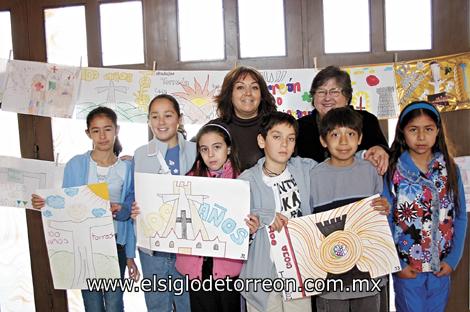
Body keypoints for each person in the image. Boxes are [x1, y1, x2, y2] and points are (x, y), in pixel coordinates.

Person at [31, 106, 139, 311]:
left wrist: (131, 254)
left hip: (116, 244)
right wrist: (45, 203)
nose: (102, 136)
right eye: (96, 130)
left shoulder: (127, 168)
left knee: (115, 303)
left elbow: (131, 211)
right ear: (88, 133)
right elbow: (67, 202)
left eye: (107, 129)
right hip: (84, 244)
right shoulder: (76, 164)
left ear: (117, 130)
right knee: (92, 304)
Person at [383, 101, 467, 312]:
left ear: (437, 131)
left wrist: (453, 259)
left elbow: (459, 216)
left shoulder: (449, 168)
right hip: (408, 267)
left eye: (428, 129)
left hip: (441, 267)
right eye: (413, 130)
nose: (421, 137)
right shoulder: (392, 169)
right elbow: (384, 220)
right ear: (402, 132)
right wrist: (398, 264)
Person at [310, 107, 390, 312]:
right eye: (335, 134)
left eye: (351, 134)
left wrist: (384, 208)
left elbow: (380, 213)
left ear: (361, 138)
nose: (344, 142)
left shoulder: (371, 170)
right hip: (330, 279)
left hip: (367, 274)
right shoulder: (313, 176)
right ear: (323, 140)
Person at [175, 123, 259, 312]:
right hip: (197, 267)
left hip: (229, 268)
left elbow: (250, 221)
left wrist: (251, 229)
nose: (210, 155)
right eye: (204, 149)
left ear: (228, 148)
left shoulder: (243, 181)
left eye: (217, 147)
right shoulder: (188, 181)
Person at [238, 112, 316, 312]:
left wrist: (365, 154)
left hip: (298, 269)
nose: (284, 144)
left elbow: (337, 165)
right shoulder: (245, 181)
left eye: (290, 138)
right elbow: (234, 219)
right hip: (262, 273)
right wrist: (262, 218)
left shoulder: (306, 169)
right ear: (261, 140)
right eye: (276, 137)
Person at [132, 94, 196, 312]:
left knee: (188, 304)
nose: (161, 122)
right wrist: (132, 209)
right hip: (152, 249)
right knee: (158, 305)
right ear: (149, 120)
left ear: (179, 118)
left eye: (168, 115)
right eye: (155, 116)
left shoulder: (196, 151)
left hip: (188, 246)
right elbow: (133, 197)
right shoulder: (140, 155)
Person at [297, 65, 389, 175]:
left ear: (347, 96)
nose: (327, 98)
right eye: (321, 92)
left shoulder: (366, 120)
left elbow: (381, 149)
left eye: (334, 92)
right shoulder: (300, 126)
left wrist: (379, 150)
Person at [210, 65, 277, 171]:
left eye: (254, 87)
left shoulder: (276, 126)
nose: (248, 93)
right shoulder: (214, 129)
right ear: (229, 94)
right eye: (240, 87)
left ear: (262, 94)